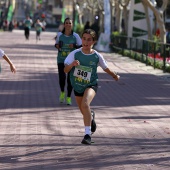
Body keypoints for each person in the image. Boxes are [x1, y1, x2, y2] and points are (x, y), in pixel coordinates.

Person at [64, 29, 120, 145]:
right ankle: (91, 117)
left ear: (93, 41)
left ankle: (87, 135)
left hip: (91, 84)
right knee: (84, 111)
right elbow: (65, 70)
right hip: (78, 86)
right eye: (84, 39)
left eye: (89, 40)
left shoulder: (96, 56)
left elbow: (106, 68)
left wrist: (115, 76)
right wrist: (72, 64)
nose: (86, 42)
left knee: (85, 104)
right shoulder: (75, 53)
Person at [55, 18, 82, 105]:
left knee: (70, 79)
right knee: (62, 77)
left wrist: (74, 45)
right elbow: (56, 44)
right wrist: (58, 46)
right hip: (61, 59)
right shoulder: (59, 35)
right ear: (64, 24)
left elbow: (81, 46)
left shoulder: (76, 36)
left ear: (72, 24)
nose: (68, 25)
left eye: (69, 23)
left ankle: (69, 97)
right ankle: (62, 92)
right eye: (66, 23)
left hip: (71, 61)